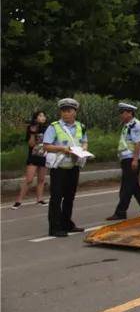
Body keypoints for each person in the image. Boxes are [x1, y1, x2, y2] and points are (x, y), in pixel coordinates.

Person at [42, 98, 87, 237]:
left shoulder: (81, 126)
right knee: (56, 197)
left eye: (69, 111)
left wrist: (83, 151)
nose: (66, 114)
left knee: (69, 197)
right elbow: (46, 145)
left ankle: (67, 223)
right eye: (63, 111)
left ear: (75, 112)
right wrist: (63, 148)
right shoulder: (54, 127)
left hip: (73, 166)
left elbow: (84, 142)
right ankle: (54, 227)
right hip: (59, 167)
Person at [107, 102, 140, 220]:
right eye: (121, 113)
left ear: (130, 113)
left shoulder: (135, 125)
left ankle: (121, 212)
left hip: (132, 158)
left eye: (123, 113)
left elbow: (138, 143)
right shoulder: (127, 125)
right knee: (133, 185)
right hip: (126, 158)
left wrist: (135, 160)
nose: (121, 115)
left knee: (127, 187)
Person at [12, 111, 50, 209]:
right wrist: (33, 133)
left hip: (44, 156)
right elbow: (31, 144)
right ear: (35, 118)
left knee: (41, 179)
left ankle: (39, 199)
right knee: (29, 179)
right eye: (40, 115)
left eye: (43, 116)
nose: (43, 117)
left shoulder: (48, 128)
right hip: (33, 156)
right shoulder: (31, 128)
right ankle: (18, 201)